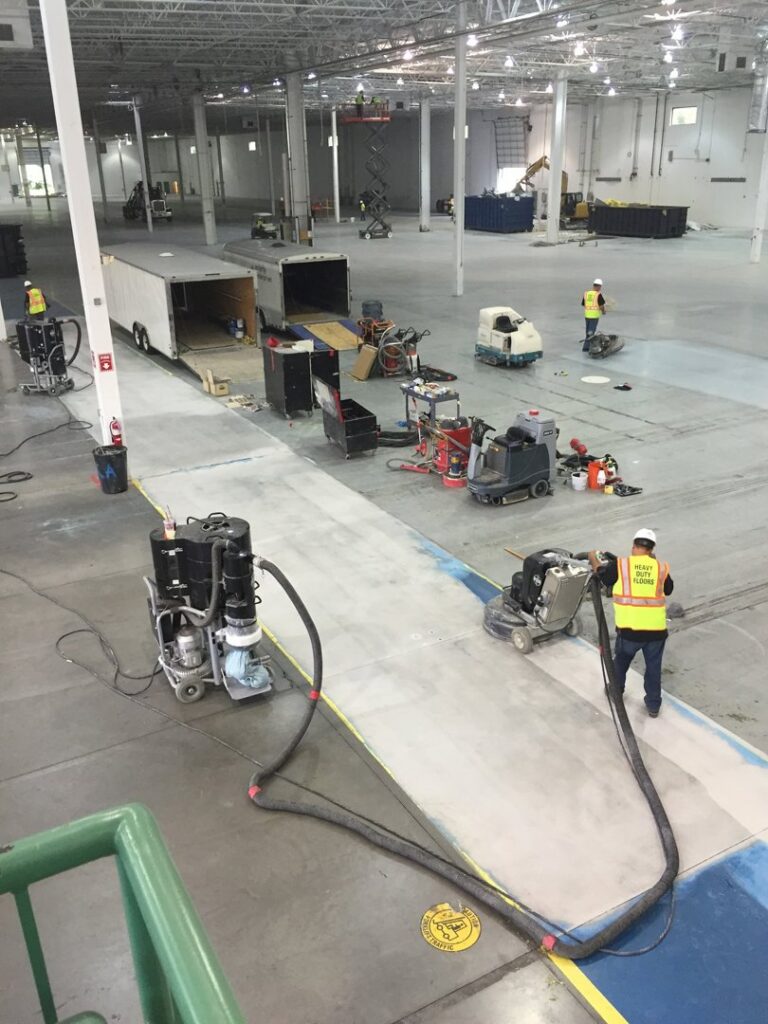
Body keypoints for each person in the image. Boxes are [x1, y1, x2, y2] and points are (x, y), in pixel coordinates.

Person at [588, 529, 674, 718]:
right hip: (656, 632)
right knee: (653, 668)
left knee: (621, 662)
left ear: (634, 546)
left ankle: (616, 691)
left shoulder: (621, 565)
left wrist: (593, 559)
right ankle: (653, 706)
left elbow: (603, 576)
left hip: (630, 631)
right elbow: (669, 589)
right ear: (652, 549)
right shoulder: (660, 567)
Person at [581, 278, 605, 352]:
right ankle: (587, 347)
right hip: (594, 316)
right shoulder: (598, 295)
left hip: (587, 315)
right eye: (600, 287)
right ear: (599, 286)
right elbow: (601, 306)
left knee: (588, 331)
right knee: (591, 332)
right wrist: (603, 311)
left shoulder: (586, 293)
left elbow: (583, 304)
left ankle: (587, 345)